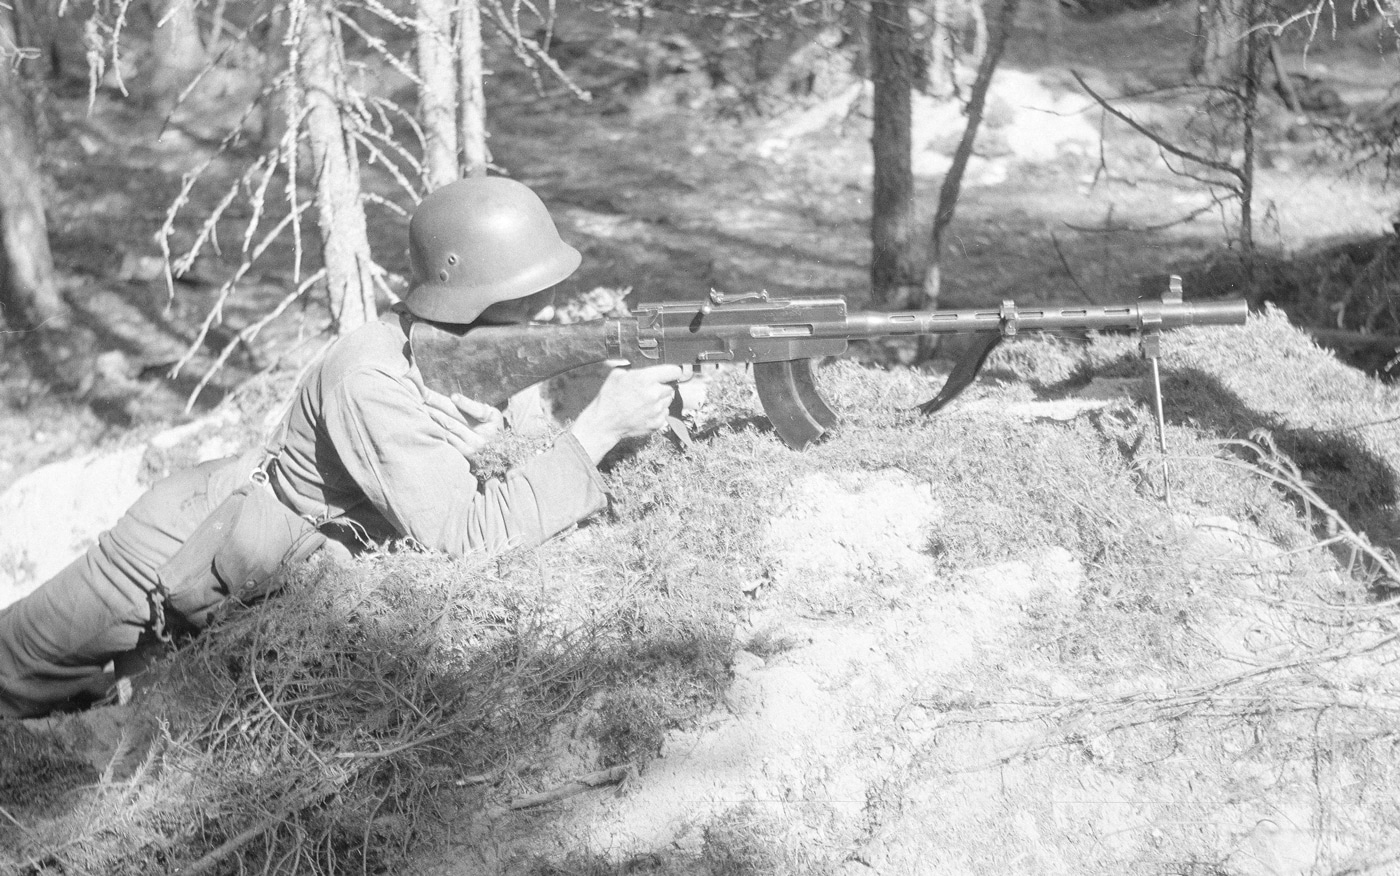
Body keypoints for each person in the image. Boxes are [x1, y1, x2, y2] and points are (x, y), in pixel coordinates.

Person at [0, 177, 682, 719]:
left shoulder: (476, 352)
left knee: (104, 705)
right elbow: (469, 534)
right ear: (471, 294)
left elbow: (515, 458)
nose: (544, 305)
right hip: (175, 547)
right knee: (13, 673)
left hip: (255, 564)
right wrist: (597, 432)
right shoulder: (369, 375)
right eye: (524, 293)